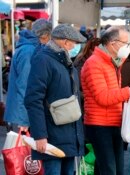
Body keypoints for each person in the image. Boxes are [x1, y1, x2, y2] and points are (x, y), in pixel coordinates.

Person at [81, 26, 130, 175]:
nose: (127, 47)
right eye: (125, 43)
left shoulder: (113, 63)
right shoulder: (94, 64)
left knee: (111, 168)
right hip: (99, 125)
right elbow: (103, 97)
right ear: (113, 43)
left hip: (113, 122)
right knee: (110, 169)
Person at [24, 24, 86, 174]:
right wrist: (40, 135)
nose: (76, 47)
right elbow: (33, 99)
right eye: (75, 43)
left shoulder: (65, 61)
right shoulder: (43, 60)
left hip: (68, 134)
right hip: (52, 134)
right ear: (65, 42)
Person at [4, 18, 52, 132]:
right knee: (22, 149)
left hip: (22, 112)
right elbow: (24, 85)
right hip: (22, 115)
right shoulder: (29, 51)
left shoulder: (30, 48)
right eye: (50, 36)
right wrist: (24, 120)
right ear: (45, 35)